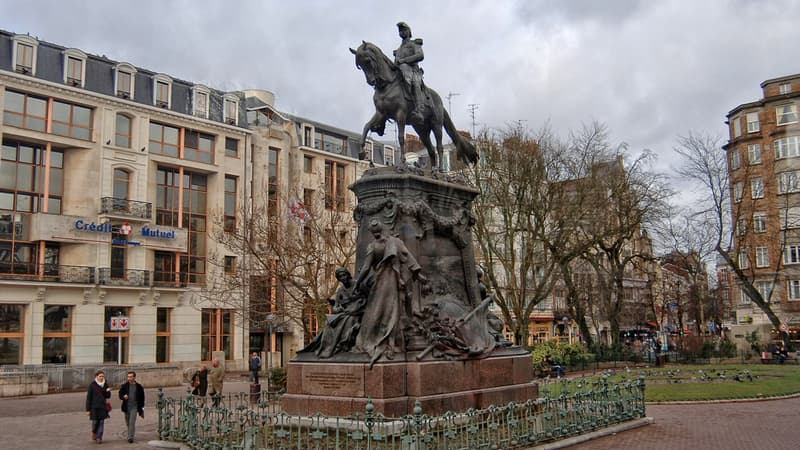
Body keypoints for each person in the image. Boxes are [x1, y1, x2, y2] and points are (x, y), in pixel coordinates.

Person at [354, 218, 424, 366]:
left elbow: (366, 268)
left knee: (377, 312)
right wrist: (420, 277)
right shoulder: (396, 243)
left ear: (372, 233)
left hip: (380, 284)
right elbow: (410, 261)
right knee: (392, 313)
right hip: (394, 283)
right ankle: (391, 344)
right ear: (383, 229)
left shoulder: (373, 246)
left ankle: (378, 341)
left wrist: (357, 283)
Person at [298, 267, 367, 358]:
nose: (343, 278)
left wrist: (359, 306)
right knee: (329, 324)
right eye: (340, 277)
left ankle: (341, 345)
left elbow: (369, 297)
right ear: (338, 279)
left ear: (348, 275)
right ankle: (326, 347)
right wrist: (337, 309)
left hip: (358, 312)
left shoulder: (358, 284)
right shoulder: (340, 291)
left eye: (344, 275)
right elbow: (335, 307)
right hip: (345, 313)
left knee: (347, 320)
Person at [393, 21, 426, 122]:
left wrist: (404, 61)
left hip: (414, 72)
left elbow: (420, 55)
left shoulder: (414, 44)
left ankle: (419, 110)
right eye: (400, 31)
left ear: (409, 32)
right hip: (400, 72)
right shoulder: (398, 50)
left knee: (415, 84)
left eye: (404, 30)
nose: (402, 32)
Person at [85, 369, 111, 444]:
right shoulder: (92, 385)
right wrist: (87, 410)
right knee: (95, 422)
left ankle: (99, 437)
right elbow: (89, 398)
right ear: (96, 376)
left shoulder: (105, 384)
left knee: (101, 422)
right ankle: (94, 432)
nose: (102, 377)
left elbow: (108, 396)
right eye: (100, 376)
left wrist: (107, 391)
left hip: (103, 407)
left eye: (103, 376)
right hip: (94, 407)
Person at [118, 371, 145, 443]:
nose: (129, 378)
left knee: (132, 422)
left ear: (134, 377)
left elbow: (142, 399)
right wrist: (123, 396)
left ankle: (130, 437)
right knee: (128, 423)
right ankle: (130, 432)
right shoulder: (124, 386)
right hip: (126, 407)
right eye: (128, 377)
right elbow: (120, 394)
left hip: (135, 407)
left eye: (131, 377)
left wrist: (142, 409)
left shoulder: (139, 387)